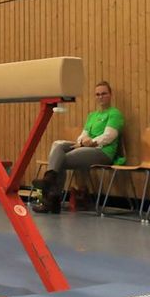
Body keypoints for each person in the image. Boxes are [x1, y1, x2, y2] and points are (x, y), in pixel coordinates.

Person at [32, 81, 124, 214]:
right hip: (86, 147)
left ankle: (51, 198)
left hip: (103, 152)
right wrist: (81, 141)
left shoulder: (115, 114)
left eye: (104, 94)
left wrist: (91, 142)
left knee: (60, 160)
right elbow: (83, 135)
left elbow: (109, 136)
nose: (100, 97)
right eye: (97, 94)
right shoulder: (92, 115)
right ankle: (50, 181)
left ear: (110, 95)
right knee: (58, 145)